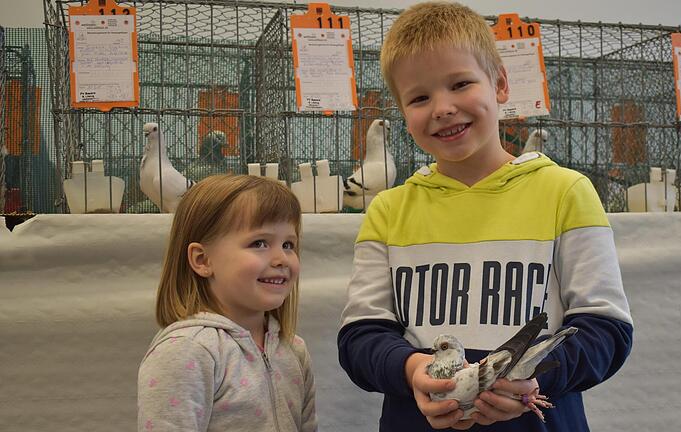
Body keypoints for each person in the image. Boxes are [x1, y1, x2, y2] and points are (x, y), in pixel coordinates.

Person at [337, 2, 633, 431]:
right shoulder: (388, 210)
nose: (442, 107)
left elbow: (606, 329)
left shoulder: (566, 192)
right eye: (419, 97)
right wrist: (412, 369)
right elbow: (361, 337)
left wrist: (533, 377)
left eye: (460, 84)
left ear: (499, 83)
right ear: (403, 112)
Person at [138, 174, 317, 432]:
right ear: (202, 260)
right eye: (260, 243)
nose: (282, 259)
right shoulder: (186, 351)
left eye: (288, 244)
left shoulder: (294, 349)